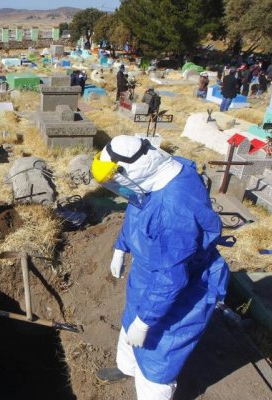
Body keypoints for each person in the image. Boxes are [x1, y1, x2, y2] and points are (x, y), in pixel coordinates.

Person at [91, 135, 229, 400]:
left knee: (159, 353)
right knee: (130, 321)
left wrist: (146, 320)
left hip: (180, 287)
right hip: (147, 274)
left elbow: (171, 279)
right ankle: (127, 368)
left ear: (131, 172)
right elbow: (137, 209)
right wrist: (122, 246)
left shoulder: (174, 209)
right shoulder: (156, 173)